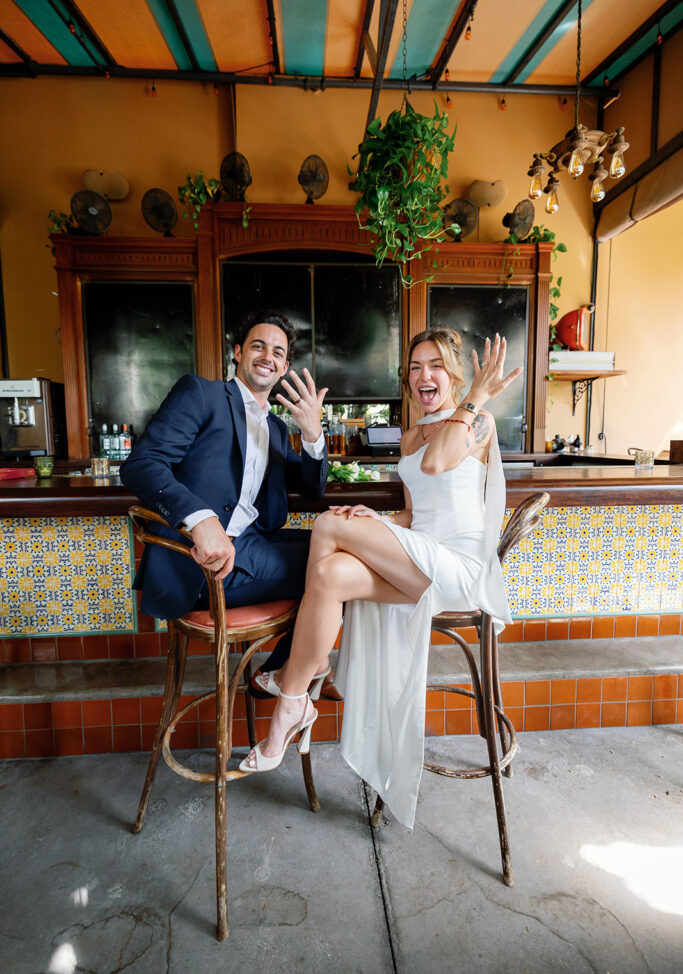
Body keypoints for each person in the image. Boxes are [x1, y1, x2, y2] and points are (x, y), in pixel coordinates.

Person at [239, 328, 522, 830]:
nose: (423, 376)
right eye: (414, 368)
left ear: (455, 375)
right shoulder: (410, 436)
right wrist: (377, 520)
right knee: (329, 572)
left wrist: (477, 396)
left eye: (435, 366)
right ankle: (301, 691)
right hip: (419, 559)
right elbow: (415, 514)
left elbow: (437, 462)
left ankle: (301, 681)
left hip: (458, 570)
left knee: (326, 526)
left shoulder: (476, 421)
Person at [120, 309, 329, 678]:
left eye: (278, 352)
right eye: (258, 346)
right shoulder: (202, 394)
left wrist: (313, 433)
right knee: (338, 570)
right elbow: (142, 463)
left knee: (341, 553)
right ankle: (293, 674)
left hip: (253, 545)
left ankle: (285, 673)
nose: (267, 356)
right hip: (202, 564)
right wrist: (201, 519)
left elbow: (312, 488)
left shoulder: (276, 428)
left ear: (284, 367)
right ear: (238, 352)